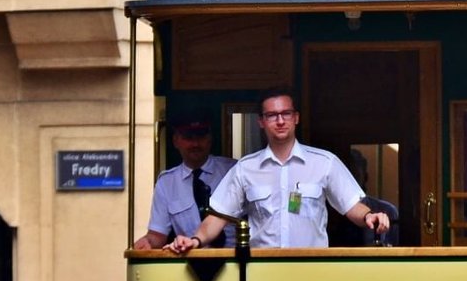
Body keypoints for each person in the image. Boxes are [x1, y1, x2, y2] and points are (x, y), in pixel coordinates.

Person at [167, 87, 390, 253]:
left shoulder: (324, 162)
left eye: (286, 113)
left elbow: (351, 206)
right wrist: (194, 241)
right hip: (262, 273)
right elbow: (217, 217)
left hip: (312, 272)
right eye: (272, 115)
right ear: (261, 122)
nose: (280, 121)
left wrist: (371, 216)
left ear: (296, 118)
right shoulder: (246, 168)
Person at [132, 107, 235, 250]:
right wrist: (147, 242)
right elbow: (157, 234)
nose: (195, 144)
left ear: (210, 139)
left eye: (200, 137)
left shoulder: (232, 171)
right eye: (188, 138)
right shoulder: (166, 183)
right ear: (176, 141)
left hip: (234, 263)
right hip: (190, 262)